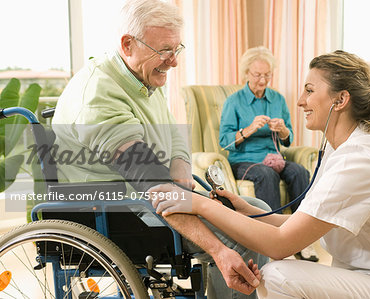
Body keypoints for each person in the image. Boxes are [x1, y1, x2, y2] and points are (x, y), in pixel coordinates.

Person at [152, 50, 370, 298]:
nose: (300, 101)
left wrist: (198, 203)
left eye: (309, 90)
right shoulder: (341, 149)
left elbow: (281, 245)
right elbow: (302, 220)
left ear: (340, 100)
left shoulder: (361, 159)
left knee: (278, 275)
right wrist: (244, 210)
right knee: (262, 209)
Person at [51, 0, 268, 297]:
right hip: (118, 211)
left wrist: (180, 163)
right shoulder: (99, 95)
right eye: (165, 50)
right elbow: (154, 186)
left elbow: (172, 129)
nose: (174, 61)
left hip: (150, 197)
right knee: (242, 238)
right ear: (128, 44)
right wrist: (218, 250)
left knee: (259, 212)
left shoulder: (145, 74)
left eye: (177, 49)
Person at [219, 46, 310, 214]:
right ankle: (272, 228)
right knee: (266, 174)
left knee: (299, 171)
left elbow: (288, 138)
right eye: (257, 75)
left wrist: (282, 129)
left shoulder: (278, 99)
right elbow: (225, 141)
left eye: (267, 75)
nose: (263, 80)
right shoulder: (234, 101)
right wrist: (250, 129)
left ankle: (301, 223)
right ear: (246, 73)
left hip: (273, 159)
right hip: (244, 161)